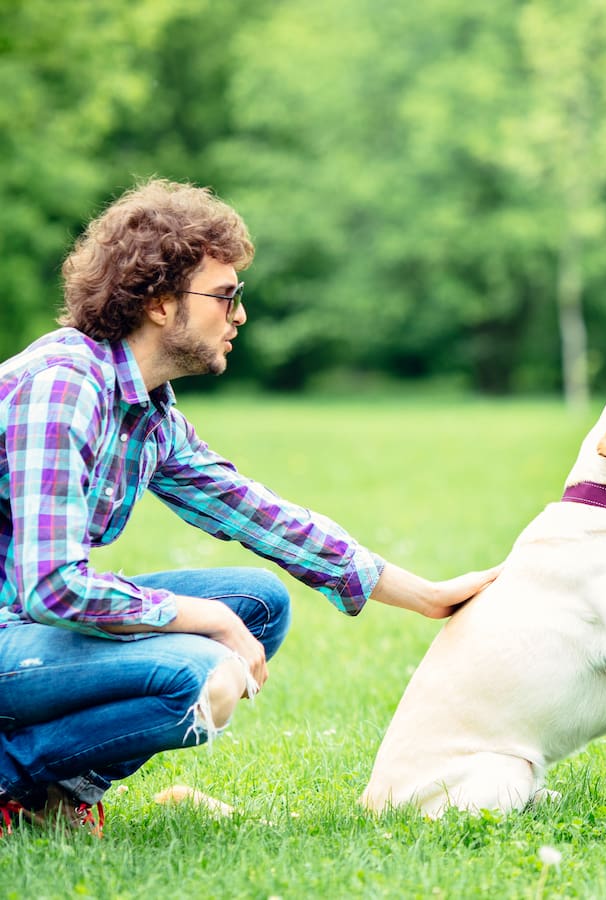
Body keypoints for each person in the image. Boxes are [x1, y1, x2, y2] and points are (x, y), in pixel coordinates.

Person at [0, 179, 499, 837]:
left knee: (258, 605)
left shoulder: (148, 411)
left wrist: (427, 595)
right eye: (226, 296)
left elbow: (261, 516)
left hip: (21, 629)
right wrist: (207, 623)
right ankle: (12, 775)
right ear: (158, 302)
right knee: (200, 673)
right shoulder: (63, 388)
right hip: (18, 624)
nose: (238, 315)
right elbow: (53, 588)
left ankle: (55, 795)